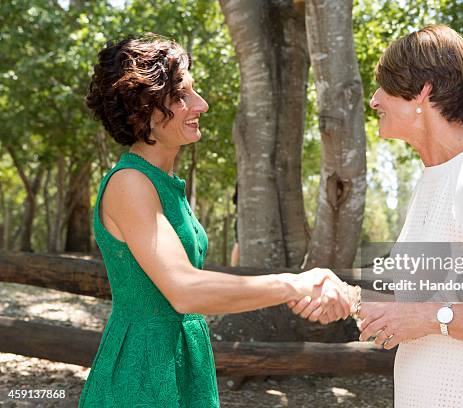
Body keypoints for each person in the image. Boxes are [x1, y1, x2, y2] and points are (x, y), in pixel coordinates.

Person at [290, 24, 463, 407]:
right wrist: (348, 298)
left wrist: (430, 317)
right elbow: (422, 303)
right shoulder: (434, 179)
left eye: (385, 87)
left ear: (423, 91)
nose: (374, 100)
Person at [79, 34, 354, 407]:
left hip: (182, 355)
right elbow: (186, 290)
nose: (201, 104)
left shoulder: (164, 184)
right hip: (143, 374)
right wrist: (293, 284)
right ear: (143, 108)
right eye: (182, 96)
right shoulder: (130, 183)